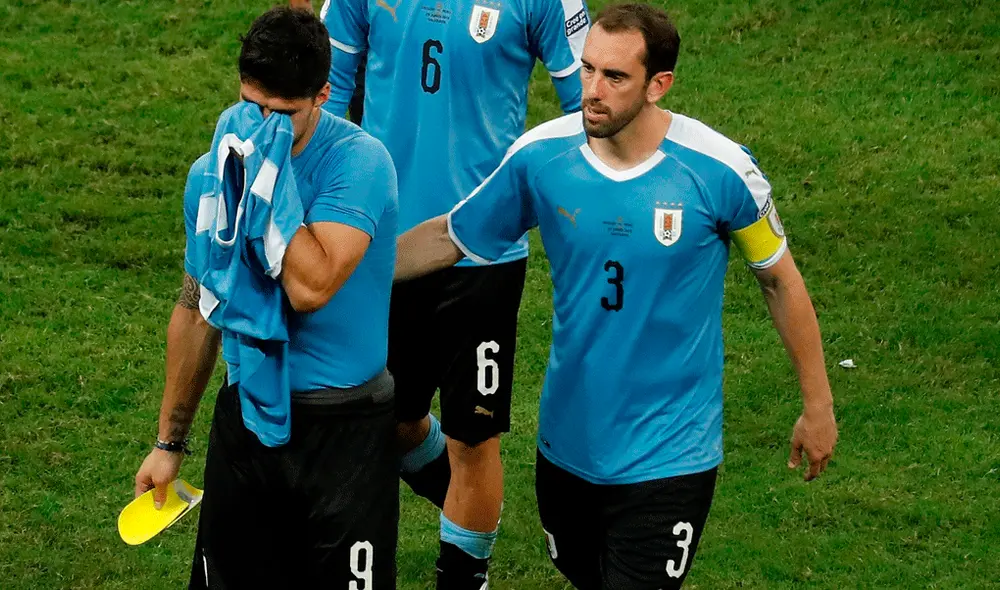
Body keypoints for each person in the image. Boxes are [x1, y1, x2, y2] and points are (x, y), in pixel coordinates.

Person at [394, 4, 839, 588]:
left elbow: (779, 277)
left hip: (670, 455)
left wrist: (818, 406)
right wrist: (347, 271)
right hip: (568, 449)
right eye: (586, 70)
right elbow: (452, 235)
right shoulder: (540, 158)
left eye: (614, 77)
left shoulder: (721, 171)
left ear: (659, 85)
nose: (592, 91)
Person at [321, 0, 592, 585]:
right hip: (381, 250)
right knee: (387, 424)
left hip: (483, 255)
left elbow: (588, 107)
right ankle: (467, 509)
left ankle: (464, 573)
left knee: (476, 436)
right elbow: (327, 91)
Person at [132, 7, 400, 588]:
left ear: (323, 95)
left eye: (282, 115)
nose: (263, 127)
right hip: (247, 424)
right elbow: (199, 307)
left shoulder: (359, 164)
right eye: (252, 108)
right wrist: (168, 443)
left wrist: (267, 180)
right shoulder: (212, 174)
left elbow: (310, 286)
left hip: (346, 430)